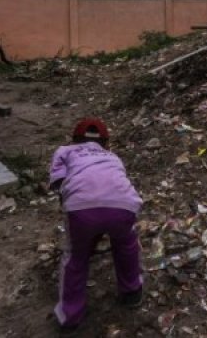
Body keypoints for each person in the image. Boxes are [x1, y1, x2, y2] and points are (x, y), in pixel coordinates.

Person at [49, 117, 143, 331]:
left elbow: (58, 183)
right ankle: (132, 292)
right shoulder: (113, 157)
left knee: (75, 258)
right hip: (124, 205)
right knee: (126, 244)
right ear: (106, 143)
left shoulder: (65, 151)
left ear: (74, 139)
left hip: (81, 209)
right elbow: (115, 181)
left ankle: (70, 316)